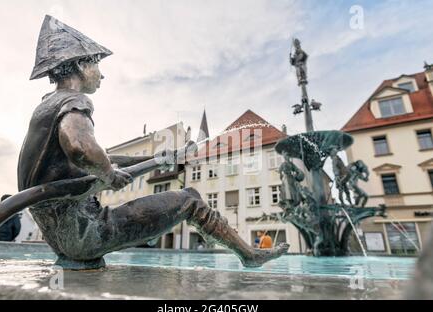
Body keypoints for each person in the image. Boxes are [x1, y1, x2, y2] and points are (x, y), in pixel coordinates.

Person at [18, 15, 290, 270]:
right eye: (97, 65)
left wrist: (163, 159)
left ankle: (248, 253)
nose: (102, 75)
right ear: (80, 65)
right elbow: (80, 146)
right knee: (190, 200)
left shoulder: (46, 108)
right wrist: (108, 174)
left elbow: (103, 156)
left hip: (63, 238)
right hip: (85, 233)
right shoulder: (74, 102)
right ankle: (250, 255)